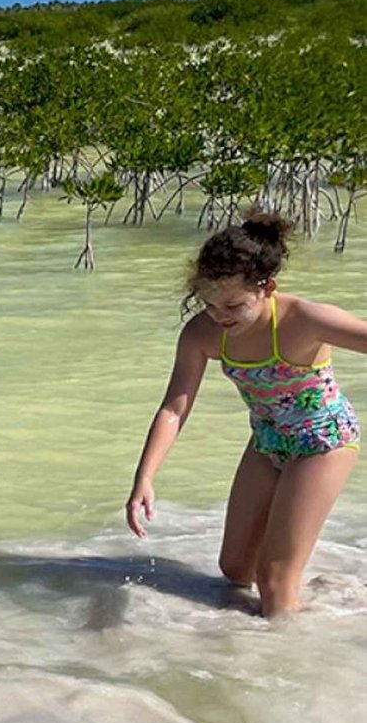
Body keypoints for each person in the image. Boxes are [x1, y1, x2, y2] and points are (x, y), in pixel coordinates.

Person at [126, 212, 364, 616]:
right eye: (210, 304)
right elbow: (174, 406)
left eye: (233, 304)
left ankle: (285, 665)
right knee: (236, 569)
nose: (221, 315)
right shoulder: (202, 333)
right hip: (267, 440)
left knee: (272, 584)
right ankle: (323, 592)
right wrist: (144, 477)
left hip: (323, 441)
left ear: (266, 287)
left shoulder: (305, 319)